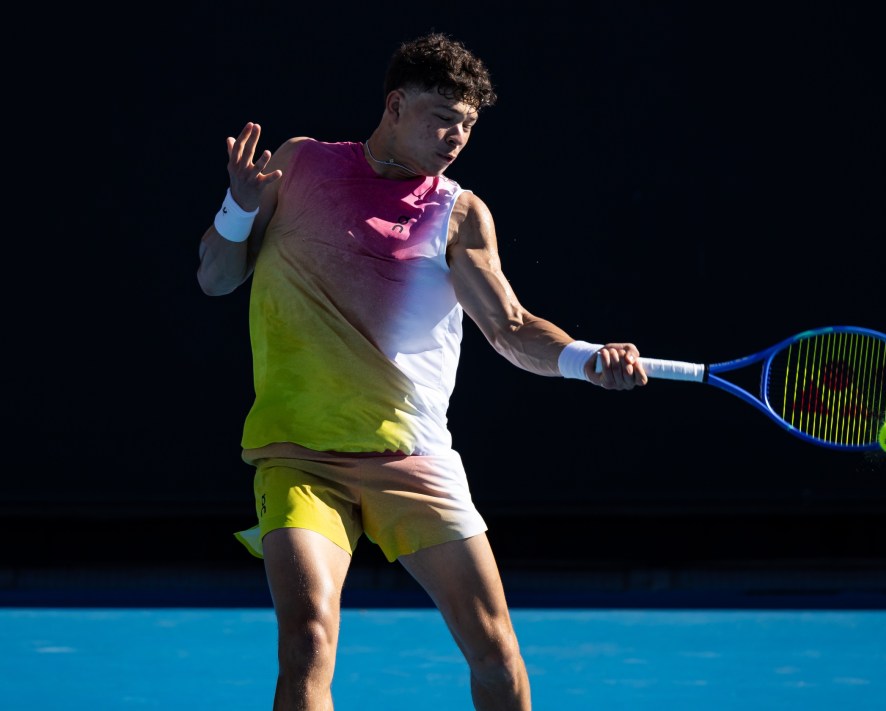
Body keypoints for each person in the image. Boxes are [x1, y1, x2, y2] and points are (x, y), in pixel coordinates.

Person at [197, 32, 647, 710]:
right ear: (395, 105)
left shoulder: (460, 213)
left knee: (494, 650)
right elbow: (215, 278)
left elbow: (512, 327)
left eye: (467, 125)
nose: (456, 137)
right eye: (443, 118)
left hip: (413, 457)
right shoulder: (299, 165)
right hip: (299, 456)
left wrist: (586, 360)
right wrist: (237, 208)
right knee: (308, 643)